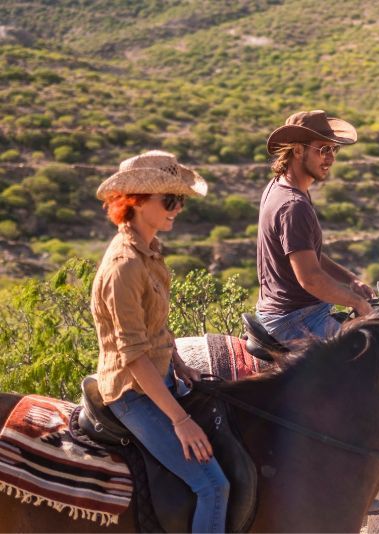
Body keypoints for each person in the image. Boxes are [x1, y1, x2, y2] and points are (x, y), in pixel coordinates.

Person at [91, 150, 229, 532]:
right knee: (213, 486)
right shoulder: (124, 266)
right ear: (134, 202)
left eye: (180, 200)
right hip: (132, 392)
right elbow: (133, 356)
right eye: (169, 200)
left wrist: (181, 364)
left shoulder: (149, 252)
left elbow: (156, 330)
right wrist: (181, 420)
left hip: (160, 377)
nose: (177, 209)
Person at [256, 110, 376, 345]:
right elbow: (310, 278)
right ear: (298, 150)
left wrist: (351, 280)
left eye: (333, 150)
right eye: (323, 149)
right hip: (294, 319)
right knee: (372, 352)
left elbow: (309, 256)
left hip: (293, 311)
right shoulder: (293, 206)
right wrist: (358, 303)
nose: (330, 158)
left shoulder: (280, 186)